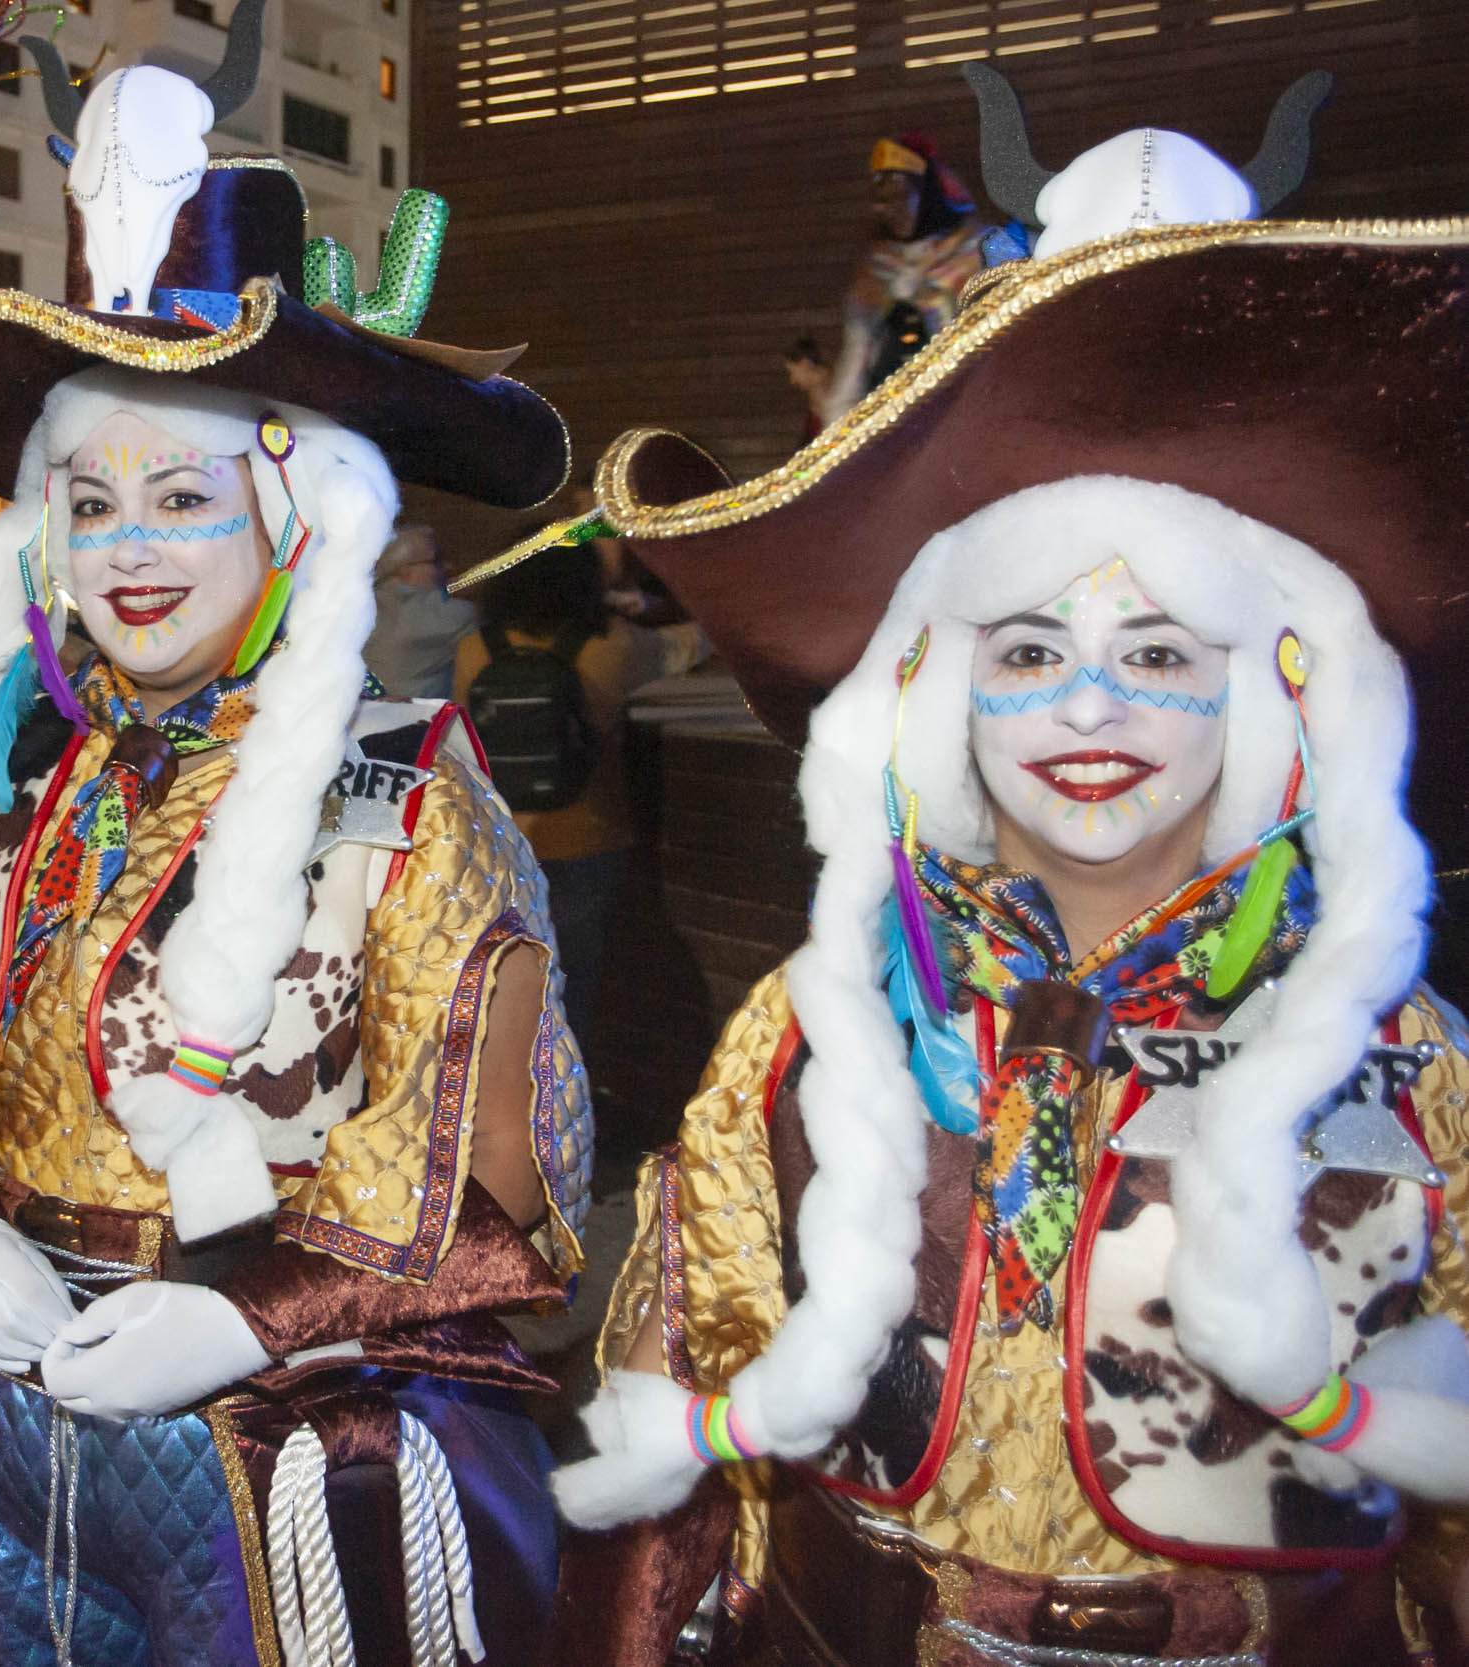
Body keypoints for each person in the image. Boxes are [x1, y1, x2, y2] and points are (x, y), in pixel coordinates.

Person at [549, 65, 1469, 1666]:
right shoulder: (806, 1031)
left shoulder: (1415, 1062)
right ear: (941, 691)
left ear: (1270, 694)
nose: (1092, 706)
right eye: (1033, 644)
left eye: (1164, 647)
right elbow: (671, 1472)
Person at [0, 17, 595, 1662]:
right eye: (94, 501)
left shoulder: (412, 796)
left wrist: (240, 1307)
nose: (131, 550)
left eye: (183, 497)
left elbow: (506, 1179)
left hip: (290, 1460)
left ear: (292, 513)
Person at [455, 539, 659, 1058]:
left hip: (501, 843)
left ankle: (505, 1111)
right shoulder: (611, 646)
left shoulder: (475, 648)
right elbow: (686, 646)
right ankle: (563, 1115)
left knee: (504, 992)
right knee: (575, 994)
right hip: (587, 838)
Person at [819, 132, 985, 427]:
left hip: (966, 415)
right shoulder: (873, 273)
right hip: (890, 428)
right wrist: (837, 435)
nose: (888, 207)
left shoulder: (976, 255)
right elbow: (855, 363)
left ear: (927, 193)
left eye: (898, 195)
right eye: (880, 199)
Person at [361, 522, 476, 700]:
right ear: (406, 571)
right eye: (435, 561)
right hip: (420, 723)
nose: (447, 566)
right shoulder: (447, 615)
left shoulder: (359, 609)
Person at [782, 335, 831, 445]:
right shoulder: (815, 397)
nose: (793, 380)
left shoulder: (834, 393)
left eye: (793, 372)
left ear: (805, 364)